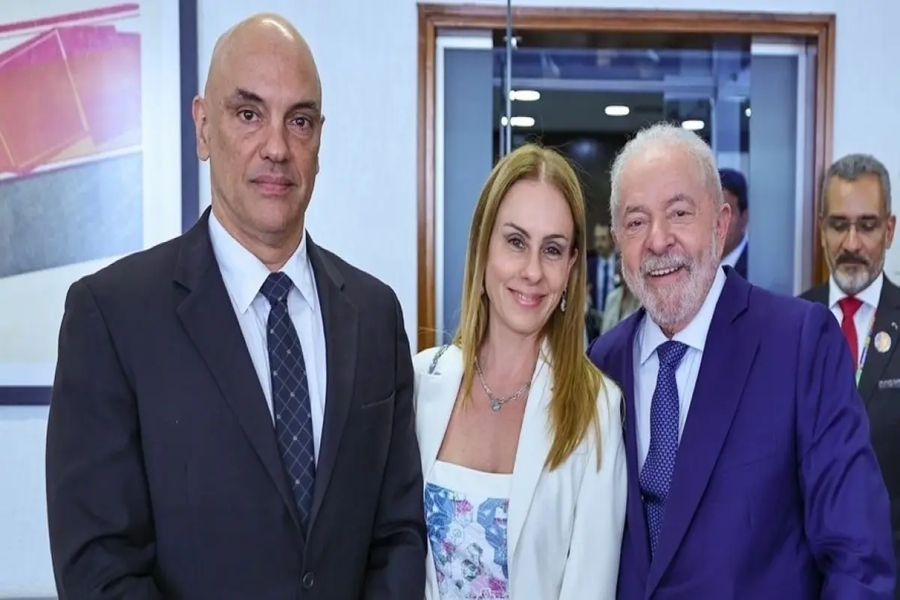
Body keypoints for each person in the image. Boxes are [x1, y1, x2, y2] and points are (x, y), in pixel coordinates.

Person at [45, 13, 426, 600]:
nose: (276, 147)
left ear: (319, 140)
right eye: (249, 114)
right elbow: (99, 568)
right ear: (203, 128)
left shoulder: (375, 315)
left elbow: (398, 534)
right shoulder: (112, 317)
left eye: (299, 121)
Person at [588, 122, 895, 599]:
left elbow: (857, 557)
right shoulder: (602, 365)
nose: (658, 239)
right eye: (636, 221)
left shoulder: (798, 344)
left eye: (679, 213)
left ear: (721, 224)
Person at [413, 143, 627, 599]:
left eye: (552, 250)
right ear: (483, 245)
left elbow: (590, 588)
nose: (532, 271)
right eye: (515, 242)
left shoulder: (597, 409)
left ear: (571, 266)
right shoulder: (418, 382)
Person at [799, 153, 900, 595]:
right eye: (839, 225)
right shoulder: (788, 324)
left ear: (890, 230)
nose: (852, 242)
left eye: (868, 225)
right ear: (821, 228)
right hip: (805, 580)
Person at [718, 168, 749, 278]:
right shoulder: (698, 267)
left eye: (727, 212)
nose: (717, 220)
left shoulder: (757, 270)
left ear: (744, 218)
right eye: (713, 211)